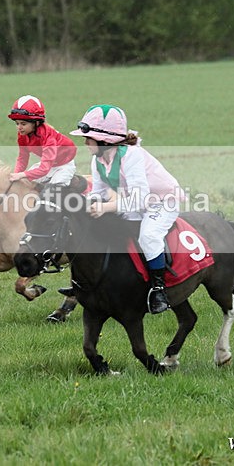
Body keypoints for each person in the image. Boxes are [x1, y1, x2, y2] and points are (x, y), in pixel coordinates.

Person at [68, 104, 183, 314]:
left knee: (148, 236)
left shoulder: (132, 155)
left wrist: (106, 208)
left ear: (105, 139)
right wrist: (85, 204)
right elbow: (99, 192)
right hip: (135, 201)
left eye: (88, 138)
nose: (85, 143)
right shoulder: (98, 160)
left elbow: (140, 199)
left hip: (163, 201)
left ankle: (159, 289)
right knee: (105, 227)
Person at [8, 95, 77, 187]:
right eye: (17, 123)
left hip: (64, 165)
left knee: (53, 191)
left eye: (23, 124)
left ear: (36, 122)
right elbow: (22, 158)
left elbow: (44, 169)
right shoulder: (22, 136)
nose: (19, 127)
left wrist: (21, 175)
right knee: (26, 184)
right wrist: (15, 175)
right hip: (47, 164)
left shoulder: (48, 137)